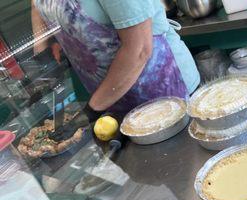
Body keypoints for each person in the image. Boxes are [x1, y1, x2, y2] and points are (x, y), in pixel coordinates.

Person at [31, 0, 200, 122]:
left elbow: (139, 49)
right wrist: (42, 53)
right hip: (110, 98)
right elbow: (36, 5)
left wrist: (93, 110)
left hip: (163, 91)